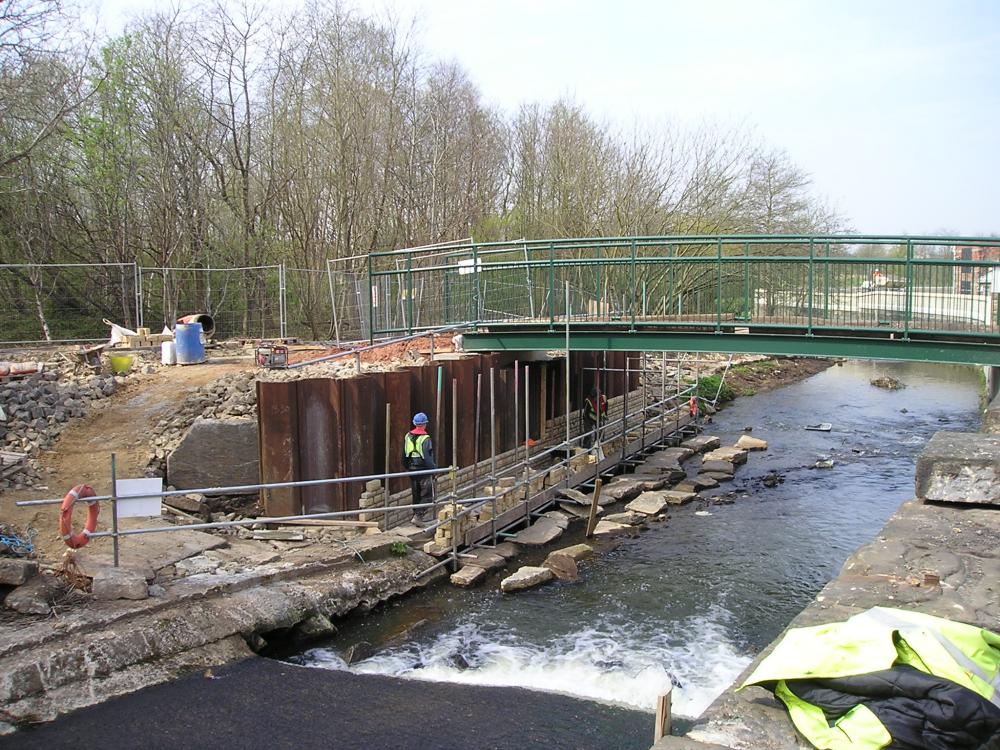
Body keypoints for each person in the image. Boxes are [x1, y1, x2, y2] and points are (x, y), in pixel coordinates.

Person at [403, 412, 436, 523]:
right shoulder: (425, 439)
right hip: (423, 470)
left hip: (412, 469)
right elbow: (427, 457)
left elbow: (404, 454)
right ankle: (418, 516)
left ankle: (416, 516)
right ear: (424, 424)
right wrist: (434, 470)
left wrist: (406, 467)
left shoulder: (408, 436)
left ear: (415, 423)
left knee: (416, 495)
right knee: (427, 496)